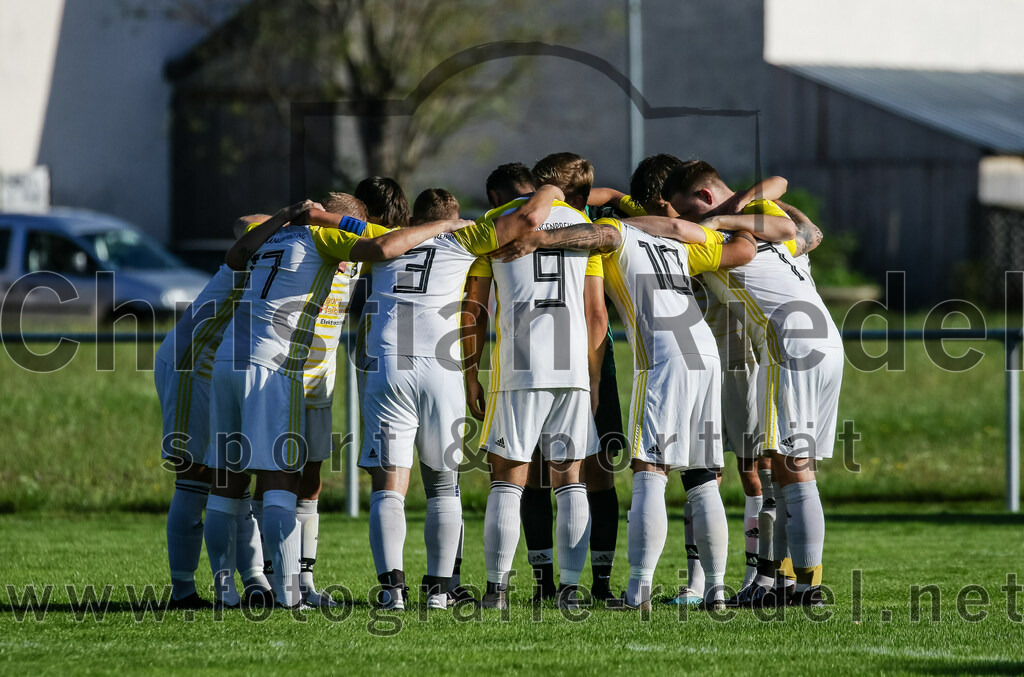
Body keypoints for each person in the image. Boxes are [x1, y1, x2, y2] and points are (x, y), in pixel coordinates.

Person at [203, 198, 470, 609]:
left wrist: (288, 215)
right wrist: (445, 226)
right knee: (279, 482)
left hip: (239, 363)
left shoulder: (275, 234)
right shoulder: (328, 238)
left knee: (231, 484)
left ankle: (237, 588)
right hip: (277, 368)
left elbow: (240, 232)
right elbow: (383, 248)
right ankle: (286, 590)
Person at [352, 185, 565, 610]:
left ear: (415, 218)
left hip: (389, 359)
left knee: (389, 484)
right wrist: (551, 189)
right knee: (443, 485)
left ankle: (392, 591)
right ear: (456, 217)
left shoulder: (387, 238)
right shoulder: (467, 236)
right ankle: (438, 591)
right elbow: (526, 220)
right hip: (441, 366)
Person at [664, 160, 836, 607]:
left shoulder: (723, 232)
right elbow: (802, 227)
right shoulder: (762, 219)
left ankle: (808, 588)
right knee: (781, 469)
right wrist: (736, 208)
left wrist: (717, 219)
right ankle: (780, 583)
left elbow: (775, 197)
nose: (684, 220)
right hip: (824, 340)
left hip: (790, 342)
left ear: (702, 199)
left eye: (684, 210)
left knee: (793, 467)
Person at [462, 153, 615, 610]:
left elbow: (475, 308)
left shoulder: (497, 220)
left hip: (519, 367)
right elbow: (597, 314)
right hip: (572, 368)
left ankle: (497, 591)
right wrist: (592, 380)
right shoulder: (581, 225)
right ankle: (570, 590)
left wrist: (471, 371)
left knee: (508, 479)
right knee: (570, 478)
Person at [154, 210, 296, 609]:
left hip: (223, 369)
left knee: (234, 478)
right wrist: (293, 218)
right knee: (196, 478)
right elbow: (242, 221)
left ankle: (253, 581)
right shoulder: (262, 249)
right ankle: (184, 591)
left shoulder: (288, 254)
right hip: (192, 363)